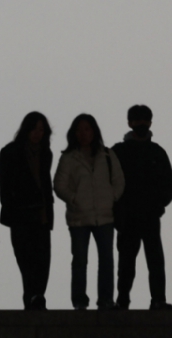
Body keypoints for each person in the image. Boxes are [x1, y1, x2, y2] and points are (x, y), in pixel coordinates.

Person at [53, 114, 124, 310]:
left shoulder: (108, 154)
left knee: (107, 260)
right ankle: (79, 301)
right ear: (73, 133)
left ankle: (106, 300)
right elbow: (59, 185)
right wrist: (74, 199)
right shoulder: (68, 157)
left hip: (105, 216)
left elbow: (119, 181)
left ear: (94, 131)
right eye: (79, 129)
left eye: (87, 129)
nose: (83, 133)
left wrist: (111, 198)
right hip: (79, 218)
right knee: (79, 261)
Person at [112, 105, 172, 310]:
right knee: (126, 262)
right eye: (137, 120)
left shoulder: (157, 152)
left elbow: (168, 184)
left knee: (155, 260)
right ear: (129, 123)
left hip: (150, 216)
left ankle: (158, 299)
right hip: (126, 216)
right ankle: (122, 300)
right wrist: (117, 210)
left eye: (145, 120)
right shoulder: (118, 152)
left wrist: (158, 206)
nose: (141, 124)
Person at [0, 112, 55, 310]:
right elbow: (4, 187)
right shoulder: (10, 152)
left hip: (41, 216)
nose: (38, 134)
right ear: (26, 129)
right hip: (20, 216)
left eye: (42, 130)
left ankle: (37, 297)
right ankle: (32, 298)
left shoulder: (46, 153)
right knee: (26, 261)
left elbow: (46, 185)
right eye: (34, 129)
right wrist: (12, 208)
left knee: (43, 260)